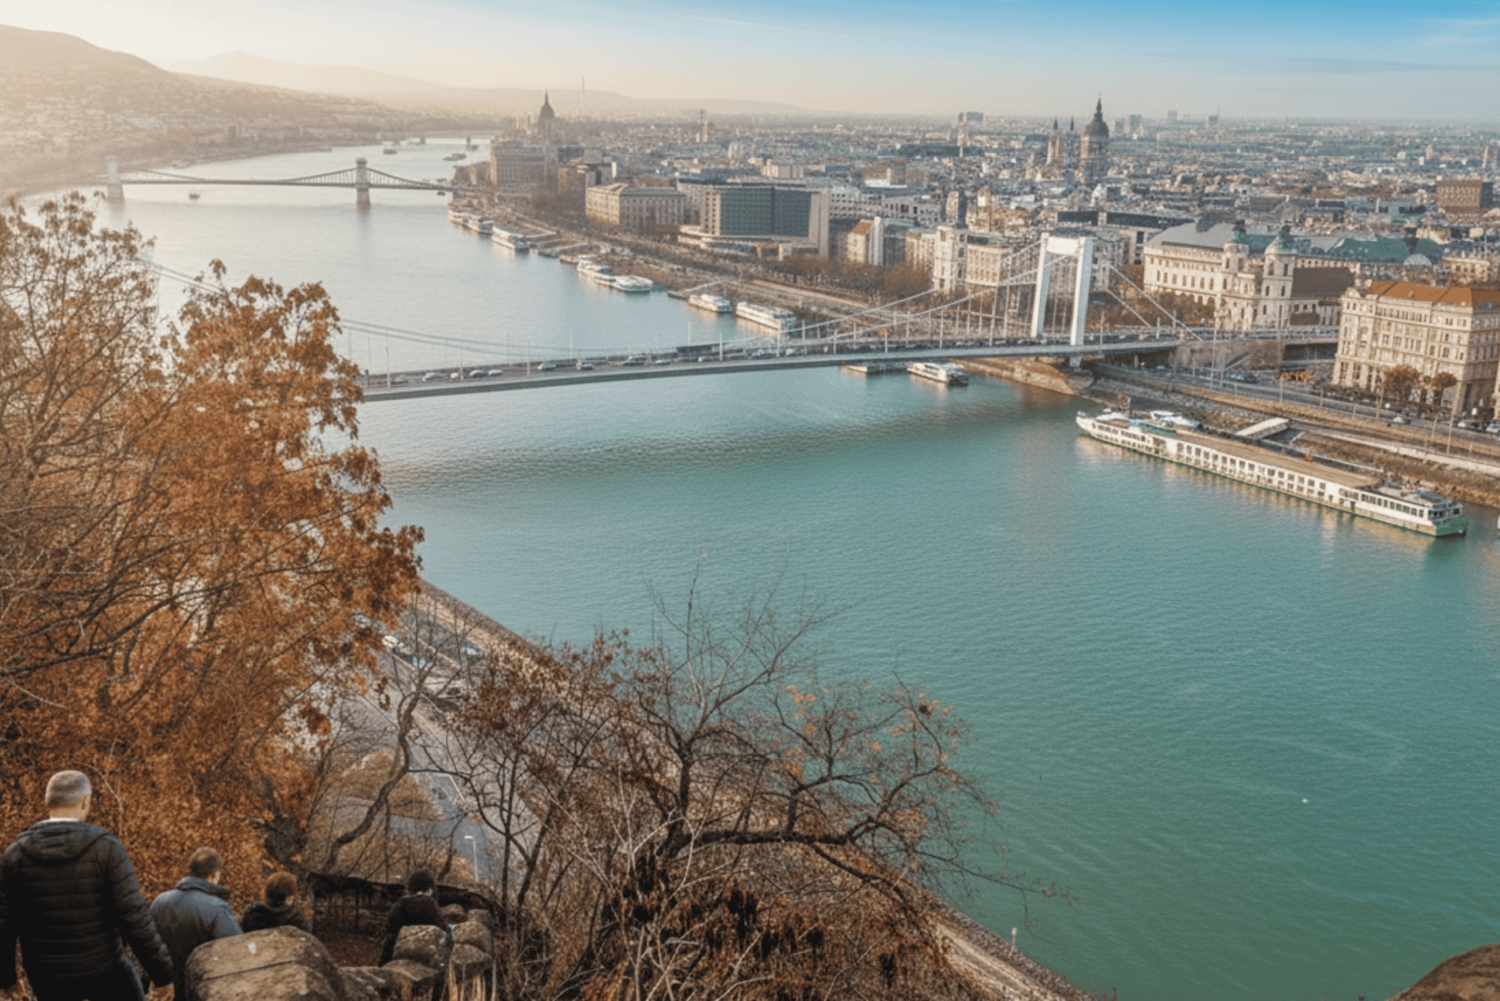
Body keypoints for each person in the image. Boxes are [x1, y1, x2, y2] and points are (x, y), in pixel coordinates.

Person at [0, 770, 173, 1001]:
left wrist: (7, 980)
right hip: (105, 972)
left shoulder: (14, 856)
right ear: (86, 802)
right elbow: (134, 916)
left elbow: (4, 926)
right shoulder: (106, 848)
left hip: (47, 977)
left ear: (47, 802)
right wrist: (162, 975)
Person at [148, 848, 240, 1000]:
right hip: (200, 993)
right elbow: (235, 951)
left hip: (165, 992)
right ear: (215, 875)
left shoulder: (160, 901)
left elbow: (147, 943)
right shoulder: (217, 908)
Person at [379, 869, 447, 964]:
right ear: (430, 890)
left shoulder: (399, 905)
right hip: (427, 964)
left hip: (395, 962)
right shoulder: (431, 905)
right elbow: (444, 933)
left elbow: (387, 936)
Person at [239, 872, 312, 933]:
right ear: (289, 896)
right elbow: (308, 931)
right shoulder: (295, 917)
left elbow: (240, 932)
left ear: (266, 892)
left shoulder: (252, 911)